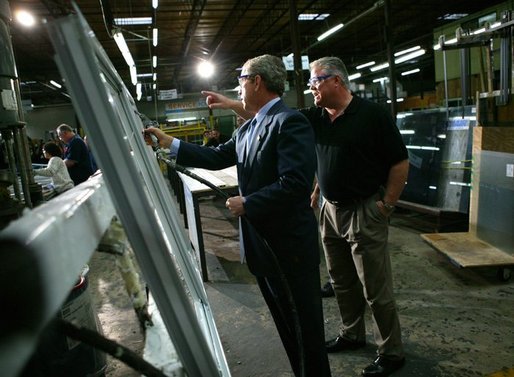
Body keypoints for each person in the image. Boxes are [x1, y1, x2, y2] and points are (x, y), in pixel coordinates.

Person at [201, 56, 409, 377]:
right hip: (329, 208)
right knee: (340, 280)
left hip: (364, 209)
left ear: (336, 81)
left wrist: (386, 205)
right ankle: (352, 333)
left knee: (374, 286)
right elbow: (265, 115)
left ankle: (390, 351)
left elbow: (399, 162)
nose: (311, 87)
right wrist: (230, 102)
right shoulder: (316, 117)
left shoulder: (372, 115)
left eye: (316, 81)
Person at [146, 54, 331, 377]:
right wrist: (171, 143)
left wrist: (249, 203)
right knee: (288, 331)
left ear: (257, 81)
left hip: (289, 251)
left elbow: (296, 184)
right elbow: (218, 156)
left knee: (306, 334)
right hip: (263, 249)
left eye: (241, 79)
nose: (238, 86)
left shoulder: (289, 122)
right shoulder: (249, 128)